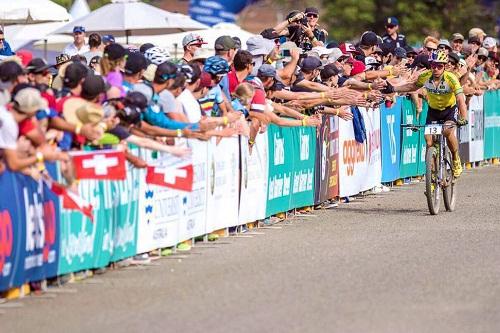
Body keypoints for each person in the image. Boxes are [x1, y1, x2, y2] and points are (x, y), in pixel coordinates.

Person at [394, 50, 468, 178]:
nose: (436, 69)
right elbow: (412, 87)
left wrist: (464, 117)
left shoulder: (451, 78)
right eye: (433, 65)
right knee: (428, 143)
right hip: (433, 111)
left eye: (439, 66)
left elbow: (460, 98)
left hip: (449, 110)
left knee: (447, 131)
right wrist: (393, 89)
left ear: (444, 67)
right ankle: (432, 176)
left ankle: (456, 158)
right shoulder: (425, 77)